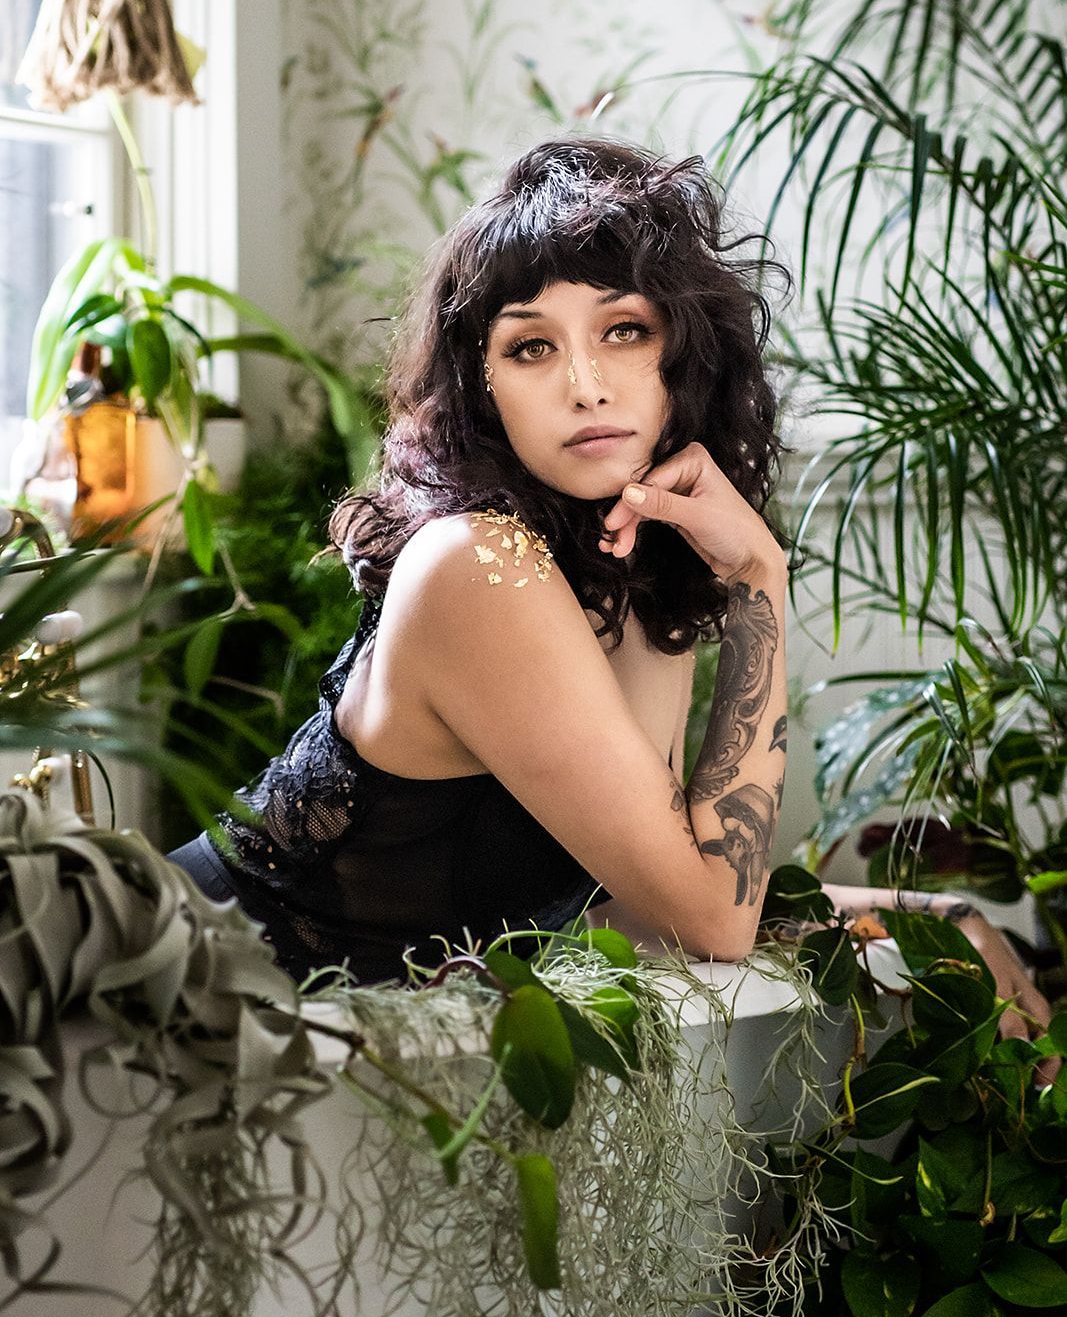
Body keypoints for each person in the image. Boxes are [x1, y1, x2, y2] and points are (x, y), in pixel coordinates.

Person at [165, 136, 1056, 1079]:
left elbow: (642, 899)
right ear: (483, 385)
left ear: (683, 354)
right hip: (157, 1019)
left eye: (623, 330)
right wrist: (759, 577)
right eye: (530, 346)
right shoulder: (477, 562)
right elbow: (709, 919)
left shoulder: (619, 561)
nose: (584, 384)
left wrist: (926, 916)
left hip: (304, 1066)